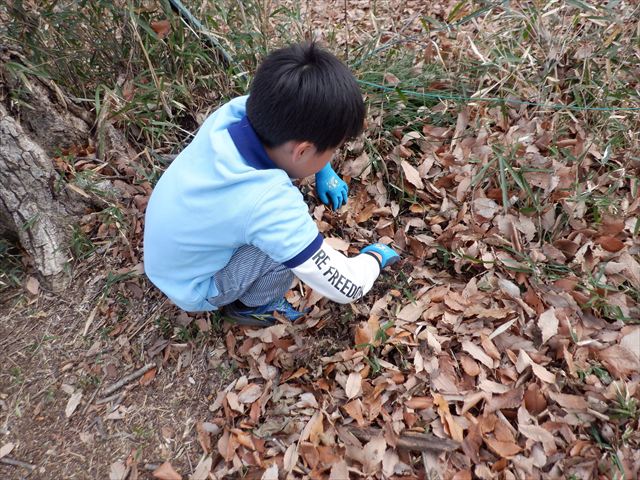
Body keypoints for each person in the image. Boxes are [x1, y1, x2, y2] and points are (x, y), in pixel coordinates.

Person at [143, 42, 399, 327]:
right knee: (281, 256)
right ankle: (254, 307)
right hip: (193, 286)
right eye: (333, 149)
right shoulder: (268, 204)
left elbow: (297, 127)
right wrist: (373, 258)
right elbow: (346, 286)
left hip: (167, 253)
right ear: (302, 151)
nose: (334, 155)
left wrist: (321, 167)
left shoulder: (235, 112)